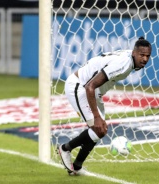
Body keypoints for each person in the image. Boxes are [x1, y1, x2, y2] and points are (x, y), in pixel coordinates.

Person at [57, 37, 152, 175]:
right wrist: (96, 116)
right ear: (134, 53)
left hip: (94, 91)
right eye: (141, 55)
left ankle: (76, 167)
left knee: (101, 129)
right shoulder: (123, 64)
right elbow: (90, 86)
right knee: (98, 127)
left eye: (147, 56)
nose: (144, 59)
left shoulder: (130, 59)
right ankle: (65, 149)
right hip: (79, 87)